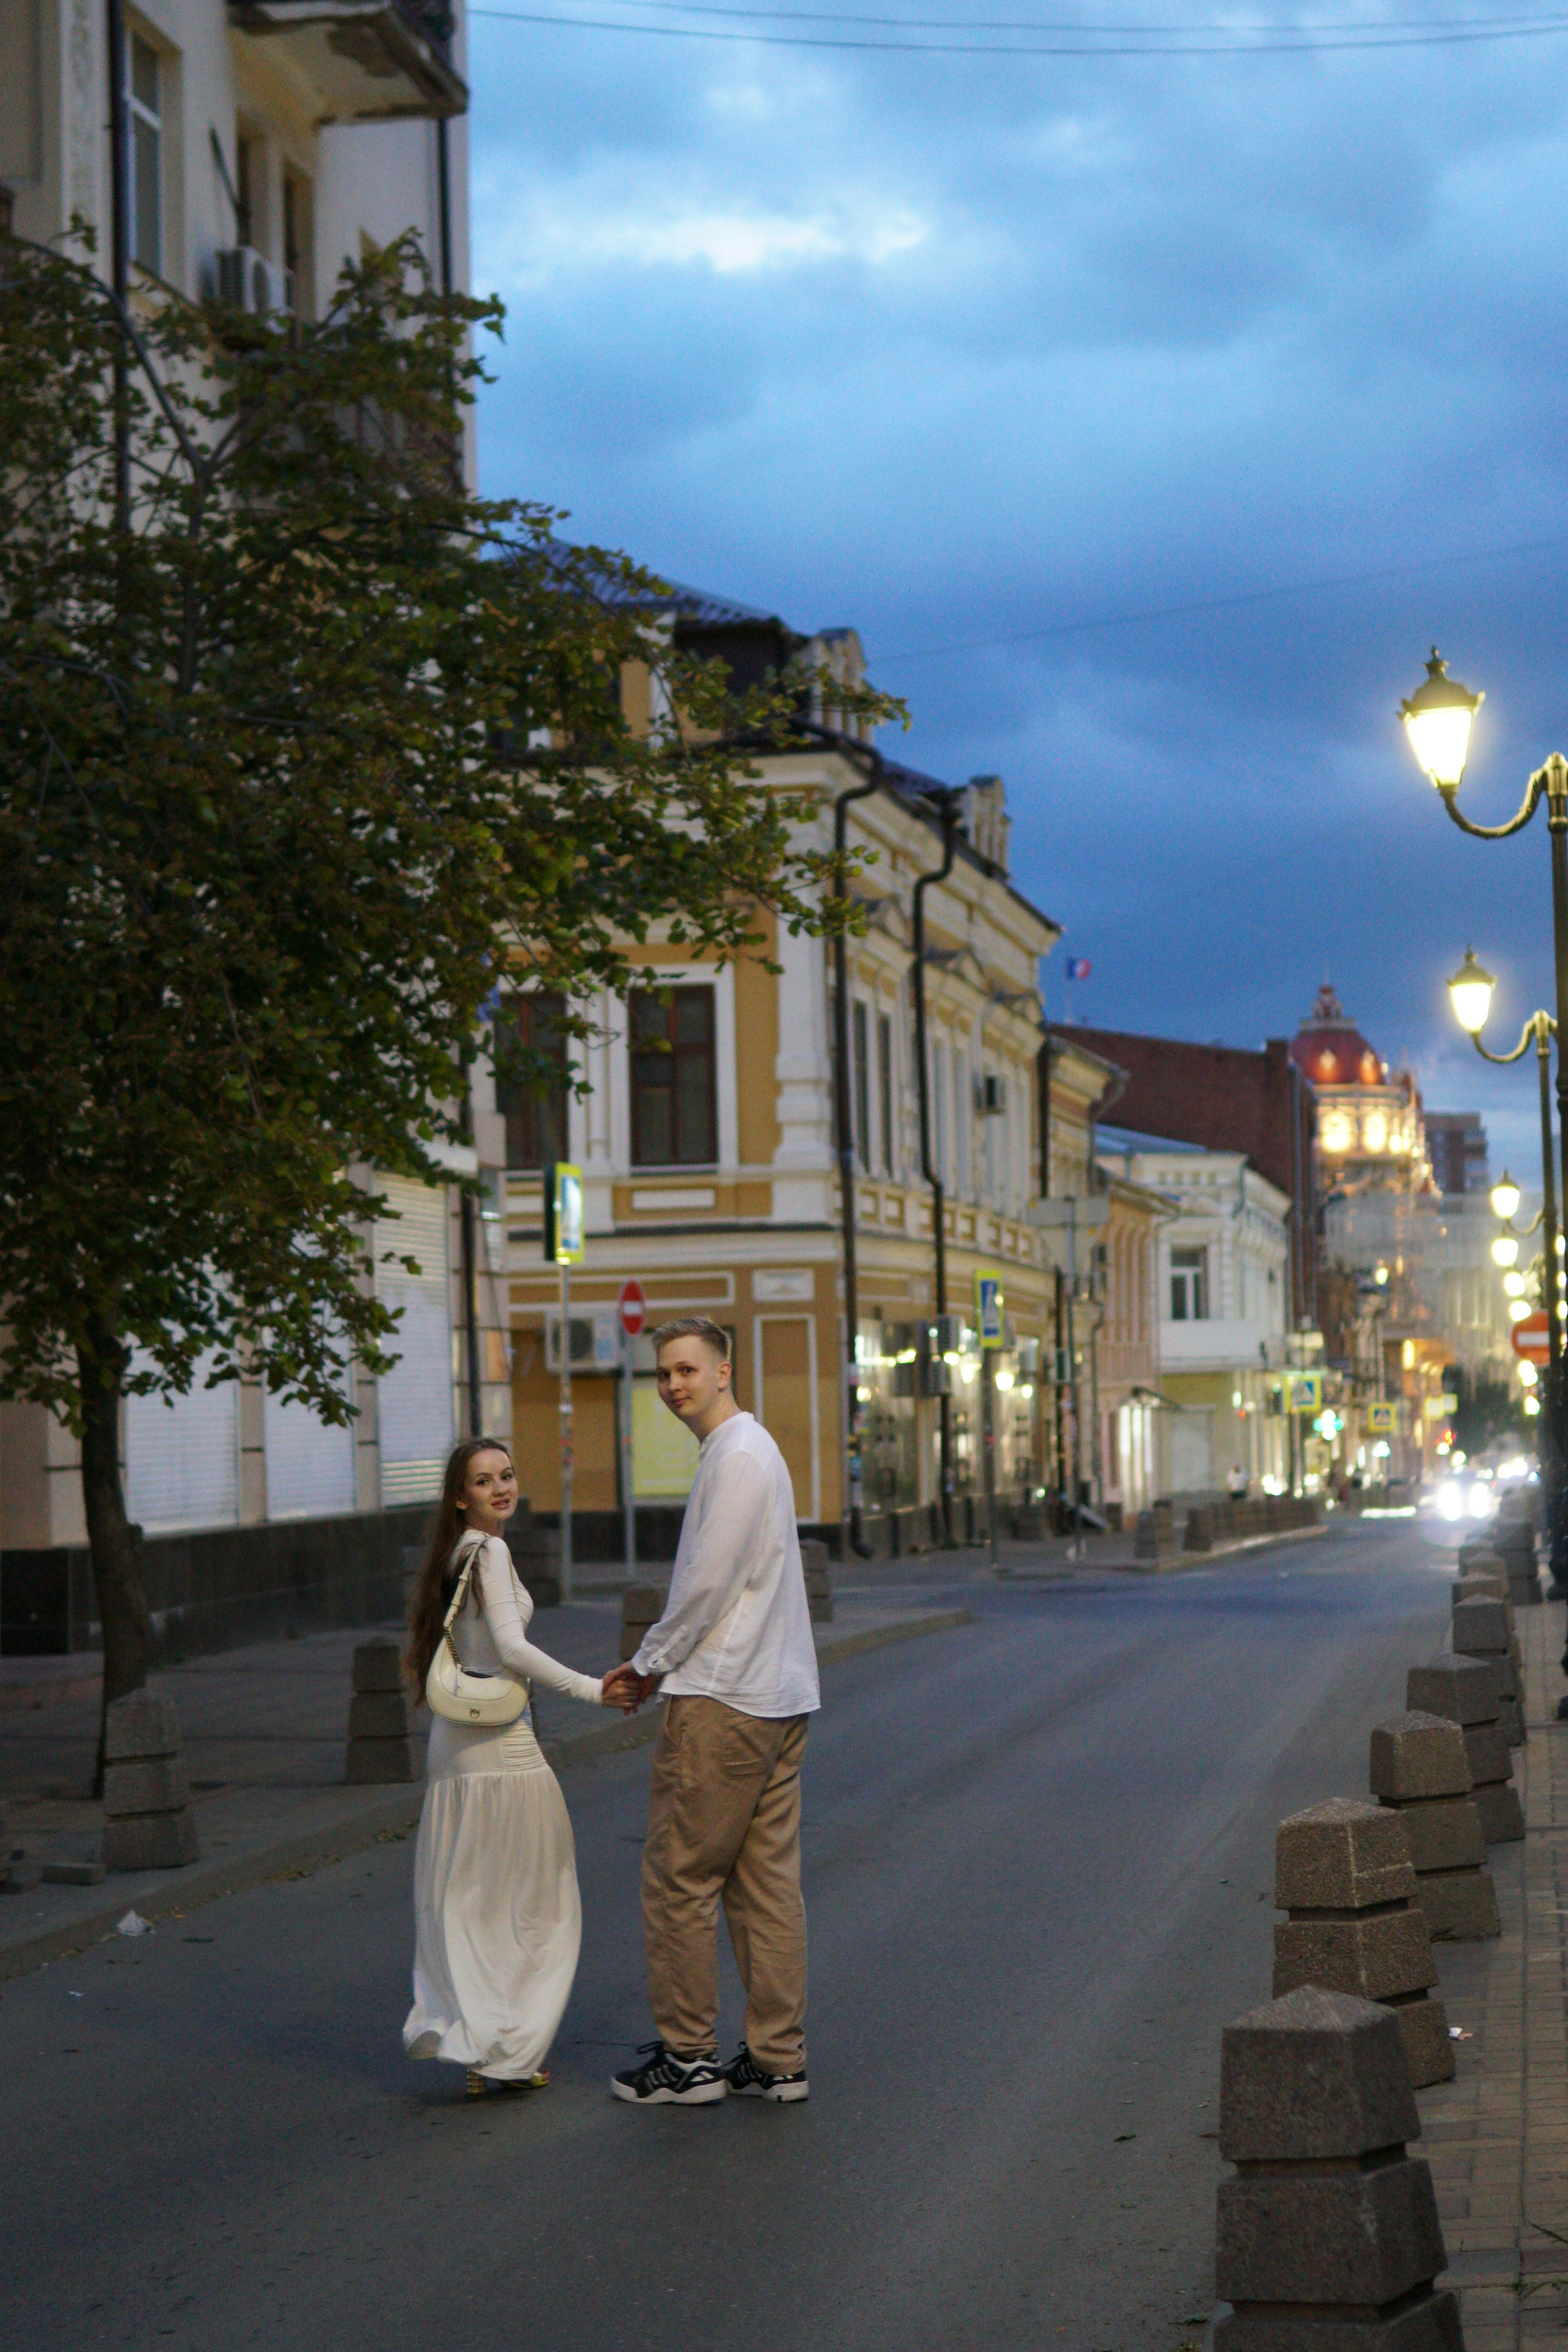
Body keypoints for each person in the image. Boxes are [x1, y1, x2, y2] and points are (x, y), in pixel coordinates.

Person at [610, 1317, 820, 2109]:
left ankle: (689, 2057)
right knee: (765, 1885)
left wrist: (648, 1662)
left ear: (724, 1372)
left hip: (725, 1697)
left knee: (680, 1880)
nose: (673, 1386)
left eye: (688, 1370)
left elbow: (707, 1584)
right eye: (664, 1373)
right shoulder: (751, 1451)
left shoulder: (736, 1456)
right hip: (777, 1693)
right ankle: (775, 2059)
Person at [402, 1437, 633, 2099]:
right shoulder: (493, 1550)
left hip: (453, 1744)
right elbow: (510, 1648)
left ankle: (479, 2039)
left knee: (468, 1900)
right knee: (539, 1902)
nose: (500, 1487)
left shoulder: (453, 1555)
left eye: (507, 1474)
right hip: (503, 1744)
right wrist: (593, 1689)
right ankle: (508, 2046)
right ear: (459, 1496)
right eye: (483, 1480)